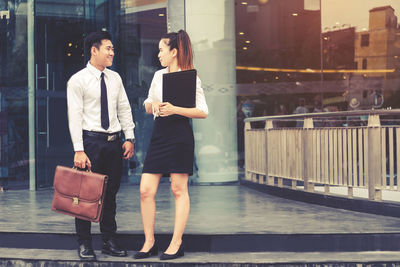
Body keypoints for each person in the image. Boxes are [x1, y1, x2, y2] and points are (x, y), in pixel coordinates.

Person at [134, 30, 208, 261]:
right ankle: (149, 242)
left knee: (178, 189)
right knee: (146, 189)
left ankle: (176, 243)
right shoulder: (157, 76)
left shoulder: (191, 77)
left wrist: (174, 108)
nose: (158, 54)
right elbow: (146, 104)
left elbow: (203, 111)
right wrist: (154, 104)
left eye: (161, 50)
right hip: (160, 134)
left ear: (174, 51)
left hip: (180, 134)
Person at [67, 30, 135, 261]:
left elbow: (124, 108)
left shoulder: (115, 78)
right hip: (90, 143)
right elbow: (74, 116)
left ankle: (109, 240)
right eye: (108, 48)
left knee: (110, 195)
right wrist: (79, 149)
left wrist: (130, 137)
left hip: (114, 143)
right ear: (93, 50)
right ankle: (85, 244)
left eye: (113, 49)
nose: (112, 53)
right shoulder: (77, 80)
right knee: (85, 196)